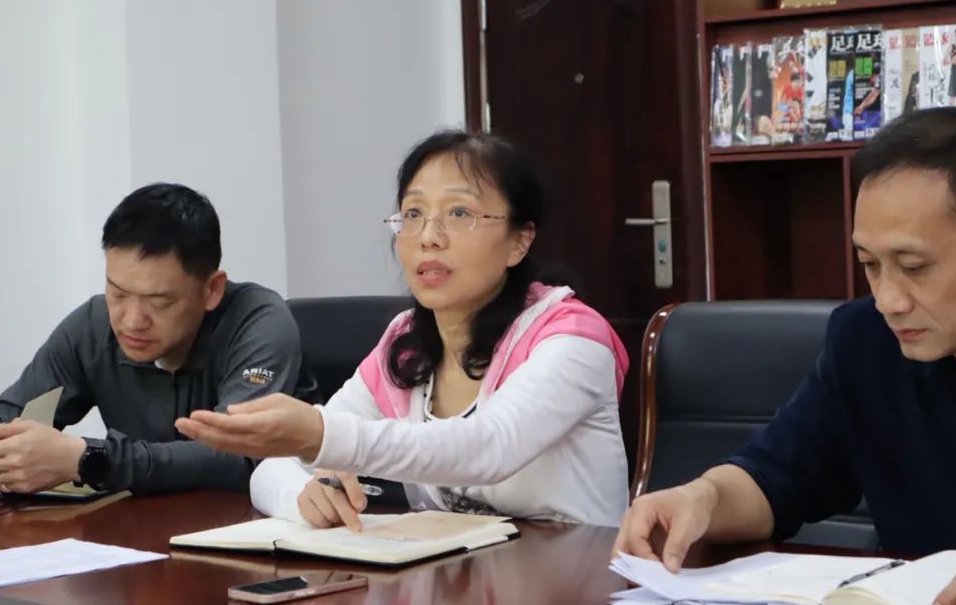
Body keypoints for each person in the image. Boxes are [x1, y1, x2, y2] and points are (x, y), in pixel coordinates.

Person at [614, 108, 956, 605]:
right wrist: (702, 496)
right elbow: (776, 476)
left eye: (914, 267)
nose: (888, 300)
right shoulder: (867, 341)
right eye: (870, 265)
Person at [176, 131, 631, 528]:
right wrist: (303, 497)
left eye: (459, 214)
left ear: (519, 241)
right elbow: (274, 469)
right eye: (413, 214)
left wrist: (322, 436)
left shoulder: (572, 338)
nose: (428, 236)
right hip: (460, 577)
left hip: (573, 576)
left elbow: (490, 447)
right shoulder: (407, 342)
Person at [0, 184, 319, 495]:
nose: (132, 321)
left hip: (259, 522)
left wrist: (91, 459)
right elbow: (5, 416)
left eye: (160, 302)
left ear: (212, 290)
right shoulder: (91, 327)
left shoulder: (258, 322)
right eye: (118, 293)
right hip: (138, 526)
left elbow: (240, 455)